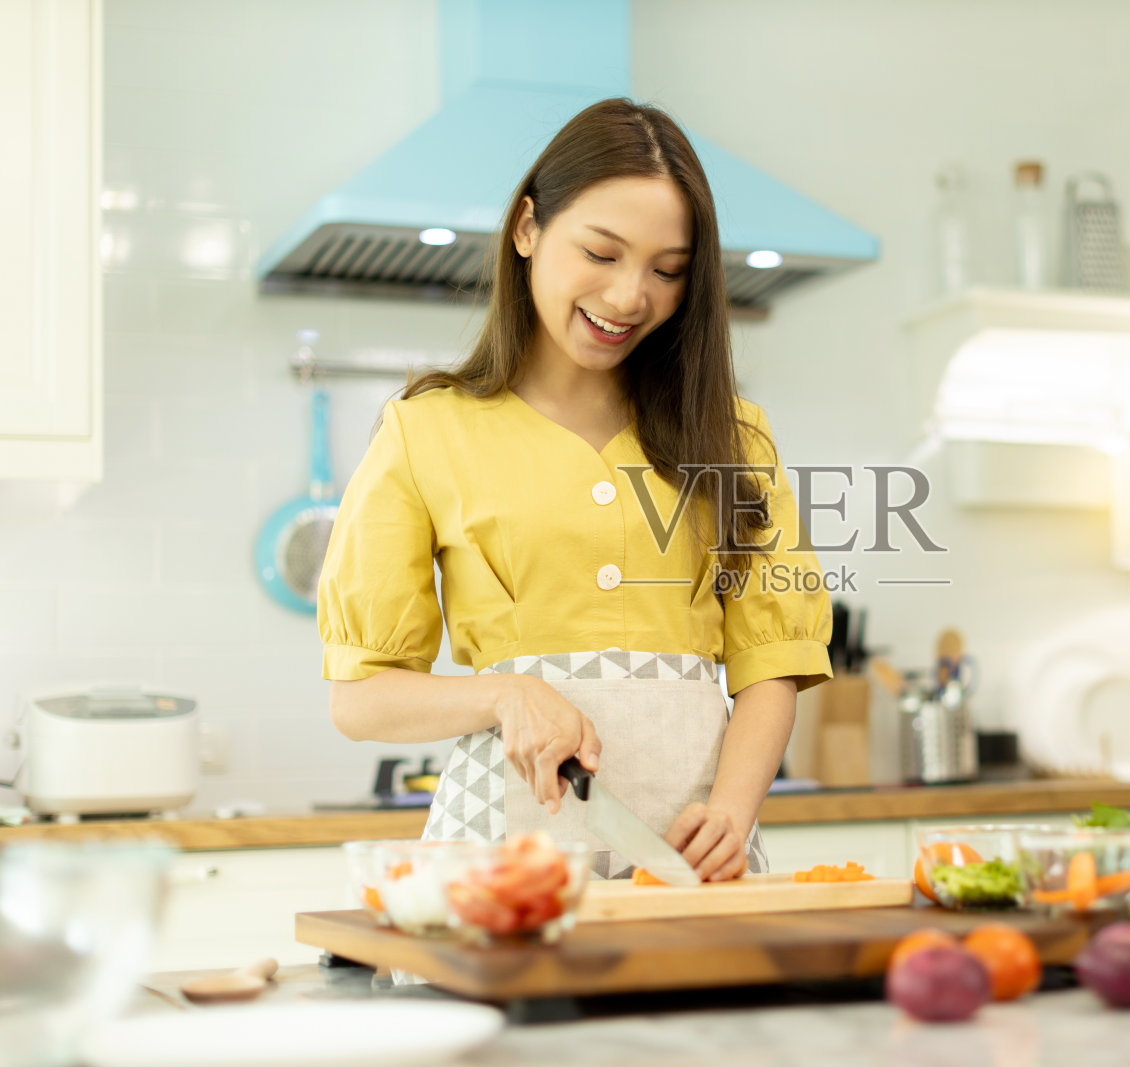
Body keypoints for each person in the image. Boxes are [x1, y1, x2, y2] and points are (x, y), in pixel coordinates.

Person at [317, 98, 833, 882]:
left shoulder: (735, 438)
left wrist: (733, 809)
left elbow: (770, 662)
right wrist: (503, 696)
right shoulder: (427, 432)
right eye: (601, 252)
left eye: (667, 270)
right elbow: (360, 701)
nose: (631, 297)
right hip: (506, 864)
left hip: (696, 864)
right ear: (527, 229)